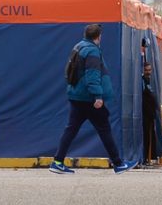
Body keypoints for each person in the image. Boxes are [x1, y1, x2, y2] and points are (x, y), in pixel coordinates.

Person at [50, 24, 137, 175]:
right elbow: (92, 75)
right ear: (99, 36)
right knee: (104, 129)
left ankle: (57, 161)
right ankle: (118, 164)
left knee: (71, 129)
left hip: (76, 95)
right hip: (88, 98)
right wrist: (97, 96)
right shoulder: (92, 51)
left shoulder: (78, 46)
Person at [141, 62, 157, 165]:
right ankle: (145, 157)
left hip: (150, 114)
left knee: (151, 136)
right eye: (146, 70)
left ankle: (151, 157)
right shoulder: (142, 82)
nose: (148, 72)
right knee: (145, 136)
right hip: (144, 114)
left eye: (149, 70)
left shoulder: (150, 81)